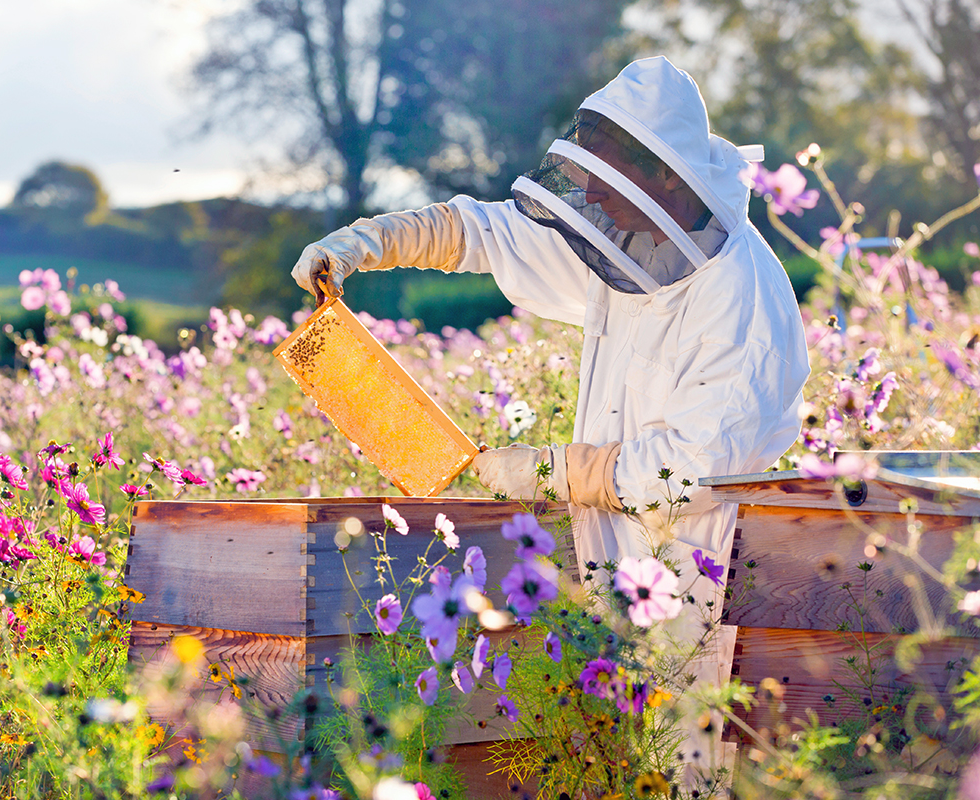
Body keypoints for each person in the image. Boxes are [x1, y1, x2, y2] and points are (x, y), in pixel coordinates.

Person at [291, 56, 810, 784]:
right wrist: (366, 243)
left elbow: (692, 468)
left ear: (667, 178)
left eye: (611, 183)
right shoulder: (631, 243)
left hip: (704, 566)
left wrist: (551, 469)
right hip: (617, 554)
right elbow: (488, 234)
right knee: (620, 758)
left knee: (688, 766)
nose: (595, 200)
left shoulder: (740, 299)